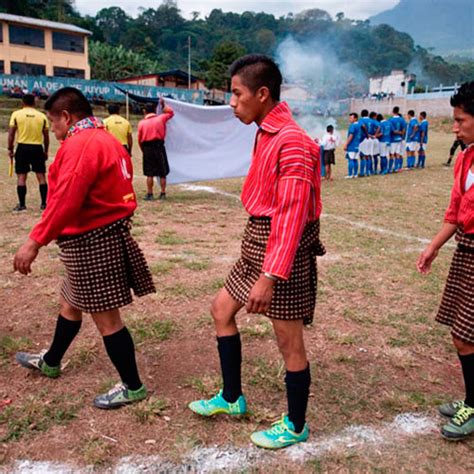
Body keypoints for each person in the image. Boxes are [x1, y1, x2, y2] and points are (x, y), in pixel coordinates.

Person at [188, 54, 325, 450]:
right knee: (221, 310)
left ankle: (296, 423)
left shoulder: (294, 143)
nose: (231, 102)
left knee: (289, 343)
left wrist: (270, 276)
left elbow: (291, 217)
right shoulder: (265, 131)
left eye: (236, 94)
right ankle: (232, 398)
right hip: (256, 244)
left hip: (281, 254)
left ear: (262, 94)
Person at [13, 87, 155, 409]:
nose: (54, 131)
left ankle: (133, 386)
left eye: (54, 123)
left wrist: (34, 242)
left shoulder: (81, 143)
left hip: (93, 240)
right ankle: (51, 361)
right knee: (69, 303)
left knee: (107, 320)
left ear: (66, 116)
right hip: (96, 237)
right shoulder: (106, 138)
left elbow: (64, 200)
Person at [417, 81, 474, 440]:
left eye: (461, 120)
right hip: (466, 251)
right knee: (462, 332)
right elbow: (455, 212)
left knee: (465, 335)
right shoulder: (466, 157)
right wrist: (433, 246)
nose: (454, 127)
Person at [8, 94, 50, 211]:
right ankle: (43, 204)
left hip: (22, 147)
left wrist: (10, 149)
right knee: (41, 176)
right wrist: (46, 151)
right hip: (37, 148)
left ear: (22, 102)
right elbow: (46, 136)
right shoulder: (41, 116)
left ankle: (22, 204)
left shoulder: (16, 114)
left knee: (21, 176)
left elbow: (11, 133)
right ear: (34, 102)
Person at [138, 99, 174, 201]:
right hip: (159, 147)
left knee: (149, 173)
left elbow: (140, 140)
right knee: (162, 172)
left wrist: (143, 150)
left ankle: (150, 193)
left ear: (145, 111)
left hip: (147, 148)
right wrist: (163, 105)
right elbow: (171, 112)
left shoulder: (142, 123)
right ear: (155, 110)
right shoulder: (161, 118)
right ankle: (162, 193)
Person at [343, 113, 361, 179]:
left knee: (350, 159)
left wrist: (346, 144)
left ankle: (350, 174)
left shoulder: (352, 126)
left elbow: (351, 135)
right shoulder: (359, 125)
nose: (350, 119)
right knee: (355, 160)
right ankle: (355, 174)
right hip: (357, 145)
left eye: (351, 118)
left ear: (355, 118)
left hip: (352, 145)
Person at [389, 106, 406, 172]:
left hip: (393, 139)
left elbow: (391, 130)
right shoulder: (402, 120)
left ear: (393, 111)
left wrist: (396, 132)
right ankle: (396, 168)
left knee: (391, 154)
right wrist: (401, 135)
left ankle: (390, 168)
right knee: (397, 154)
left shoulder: (390, 120)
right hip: (399, 139)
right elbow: (404, 130)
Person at [358, 109, 371, 177]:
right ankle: (368, 171)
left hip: (363, 139)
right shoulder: (371, 120)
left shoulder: (361, 120)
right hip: (370, 139)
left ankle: (362, 172)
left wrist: (366, 134)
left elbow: (363, 126)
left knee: (362, 156)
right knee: (368, 155)